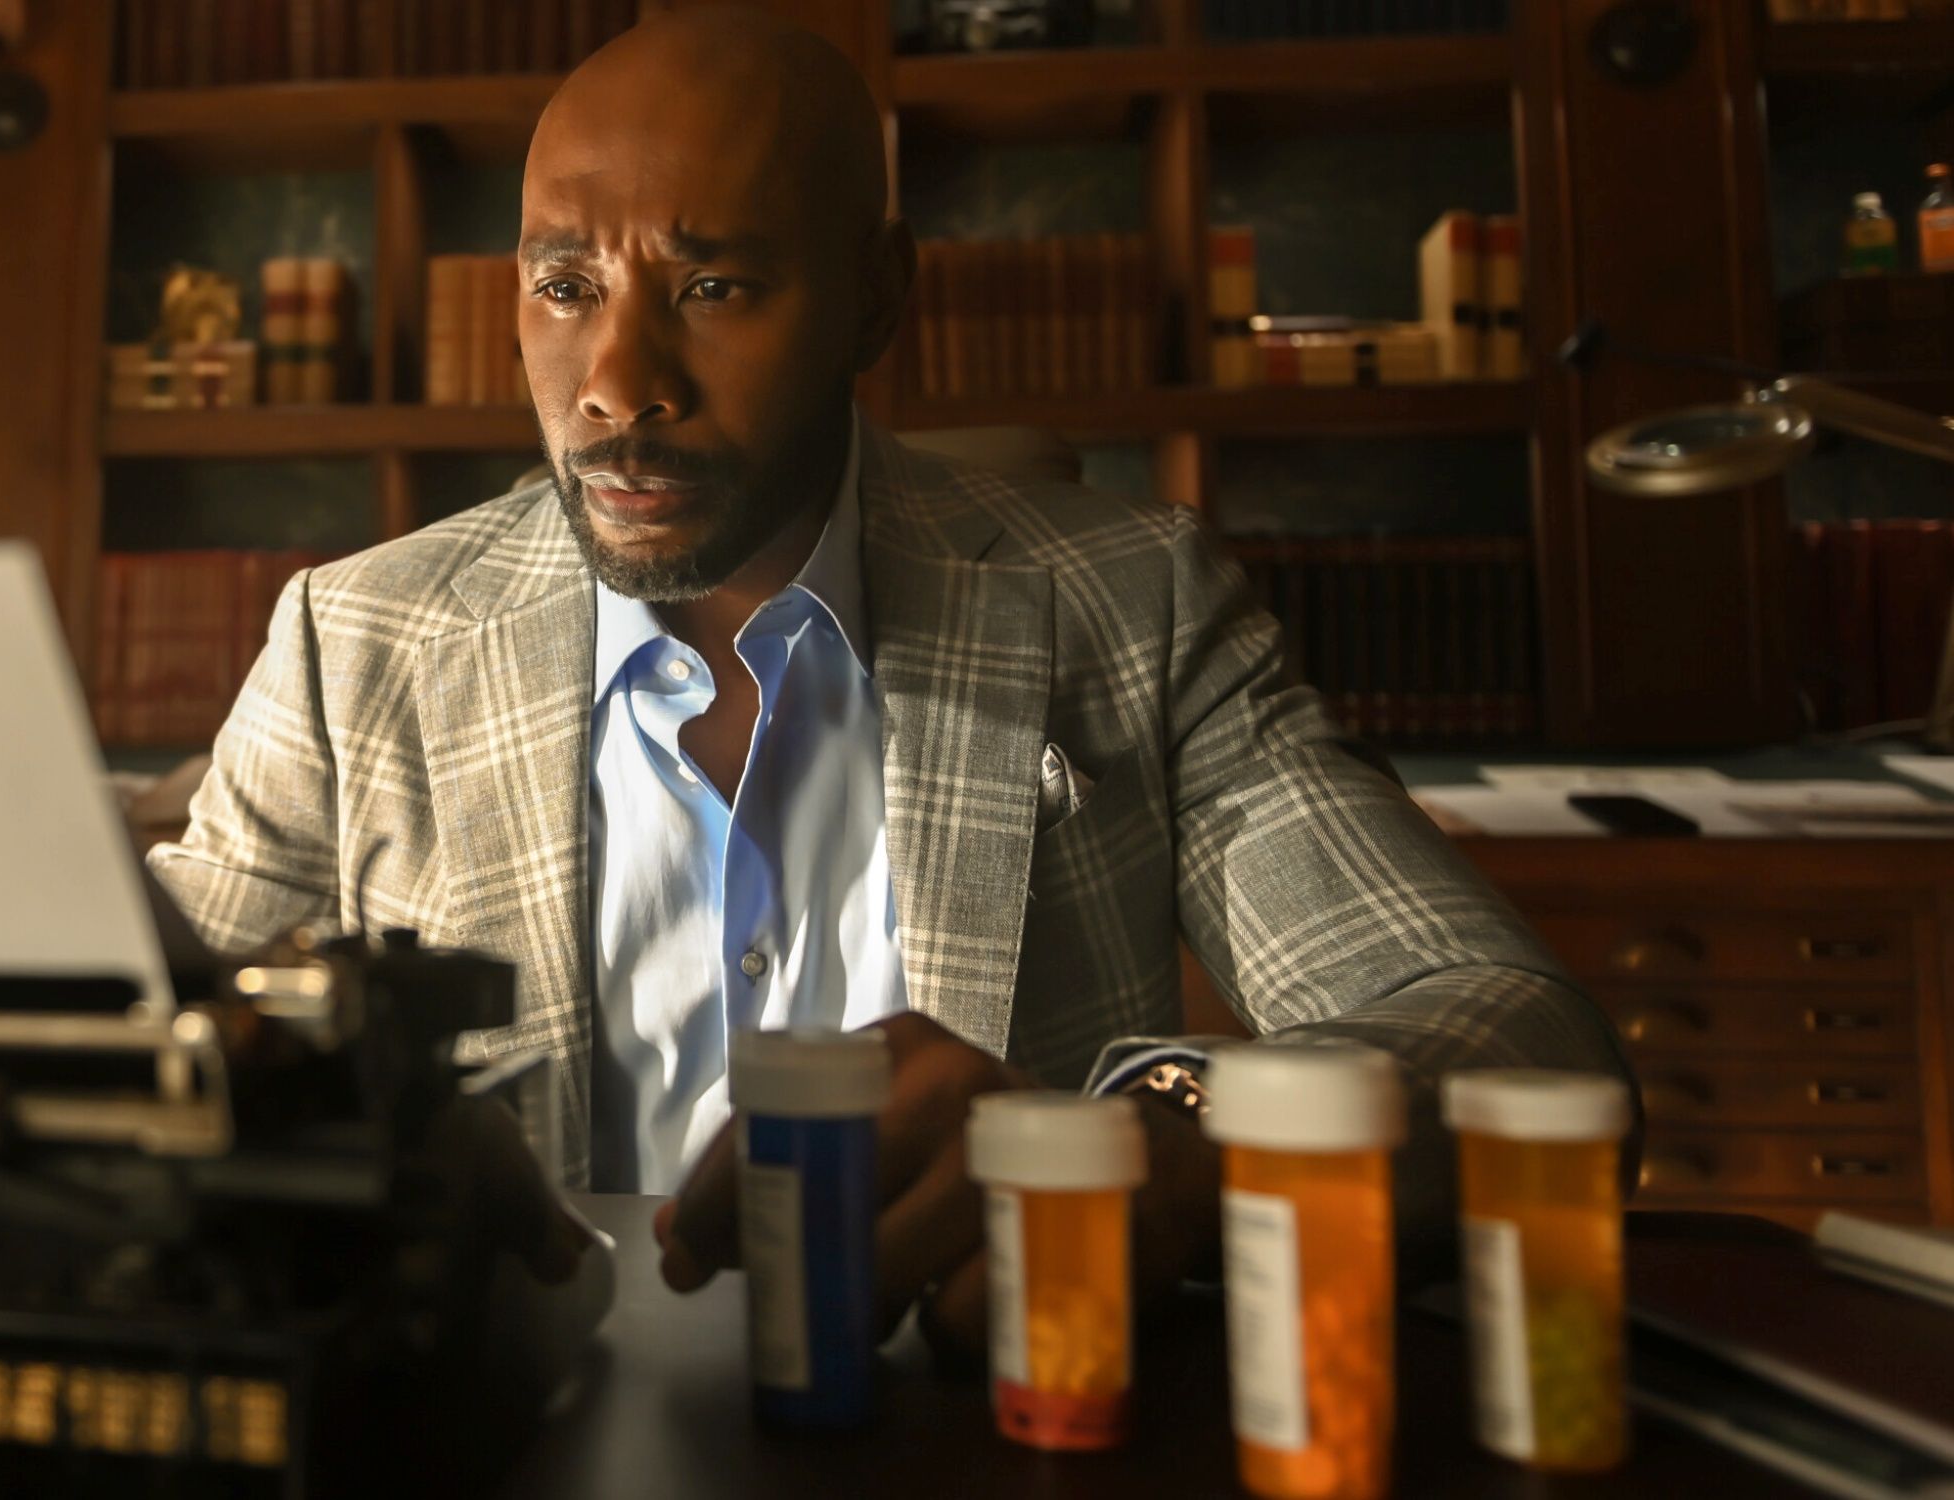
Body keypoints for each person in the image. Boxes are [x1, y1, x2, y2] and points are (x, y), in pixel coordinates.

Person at [148, 5, 1630, 1357]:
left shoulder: (1130, 606)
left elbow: (1516, 1037)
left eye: (712, 283)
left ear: (874, 300)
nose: (614, 381)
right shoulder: (356, 645)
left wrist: (1153, 1150)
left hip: (968, 1428)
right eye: (564, 285)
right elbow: (124, 1051)